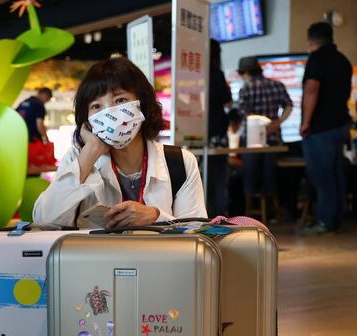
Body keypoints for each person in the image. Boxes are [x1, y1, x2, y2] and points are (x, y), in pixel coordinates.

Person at [33, 58, 207, 228]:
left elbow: (195, 232)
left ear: (142, 104)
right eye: (96, 106)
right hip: (96, 257)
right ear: (86, 119)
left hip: (159, 258)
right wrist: (91, 150)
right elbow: (44, 220)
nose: (109, 112)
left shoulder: (180, 162)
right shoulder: (78, 159)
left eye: (120, 100)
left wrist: (155, 216)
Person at [299, 22, 353, 235]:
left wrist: (306, 122)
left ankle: (325, 220)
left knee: (321, 175)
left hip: (321, 128)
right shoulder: (343, 61)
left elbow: (312, 89)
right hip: (340, 126)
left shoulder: (317, 59)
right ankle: (336, 218)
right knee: (336, 173)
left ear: (311, 40)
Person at [237, 56, 293, 220]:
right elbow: (289, 105)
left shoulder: (246, 89)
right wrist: (277, 122)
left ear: (246, 72)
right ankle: (274, 213)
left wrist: (258, 126)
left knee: (250, 175)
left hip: (252, 140)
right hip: (273, 139)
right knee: (270, 176)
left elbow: (243, 115)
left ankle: (248, 214)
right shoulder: (277, 85)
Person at [207, 39, 233, 216]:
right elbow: (226, 100)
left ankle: (205, 212)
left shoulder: (194, 73)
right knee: (220, 175)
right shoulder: (216, 73)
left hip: (199, 130)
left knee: (204, 174)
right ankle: (221, 214)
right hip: (217, 129)